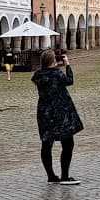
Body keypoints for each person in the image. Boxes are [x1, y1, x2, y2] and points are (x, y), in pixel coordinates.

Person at [33, 48, 84, 185]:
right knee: (67, 143)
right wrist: (67, 64)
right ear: (53, 62)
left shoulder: (38, 75)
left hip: (44, 112)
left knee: (46, 143)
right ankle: (65, 176)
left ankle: (51, 176)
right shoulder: (56, 74)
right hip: (60, 111)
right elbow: (70, 80)